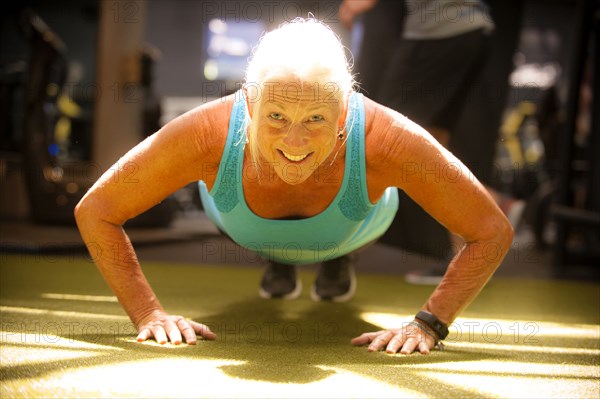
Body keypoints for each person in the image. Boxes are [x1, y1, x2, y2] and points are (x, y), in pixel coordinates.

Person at [74, 18, 513, 354]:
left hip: (356, 225)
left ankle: (338, 257)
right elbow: (96, 211)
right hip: (241, 221)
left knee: (335, 237)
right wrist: (147, 312)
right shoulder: (206, 133)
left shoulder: (388, 139)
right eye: (277, 117)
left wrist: (429, 323)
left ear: (344, 115)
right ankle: (280, 257)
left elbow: (491, 231)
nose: (295, 141)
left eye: (316, 119)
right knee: (264, 221)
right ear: (248, 103)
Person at [339, 0, 525, 283]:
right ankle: (466, 249)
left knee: (383, 134)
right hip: (470, 29)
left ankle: (338, 257)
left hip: (440, 32)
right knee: (433, 144)